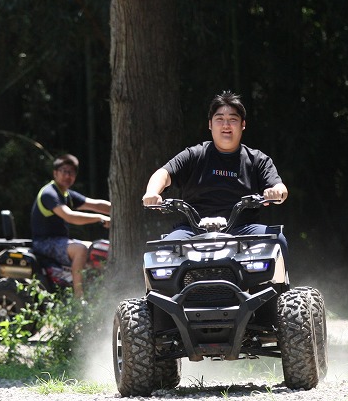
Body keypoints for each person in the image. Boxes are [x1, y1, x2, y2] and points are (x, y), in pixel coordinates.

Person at [142, 90, 289, 258]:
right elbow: (163, 173)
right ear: (210, 124)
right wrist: (151, 193)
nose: (226, 125)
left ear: (243, 124)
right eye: (219, 119)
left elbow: (280, 188)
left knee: (277, 240)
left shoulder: (257, 159)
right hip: (192, 230)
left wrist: (276, 192)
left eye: (232, 119)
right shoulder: (194, 154)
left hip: (244, 229)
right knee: (163, 252)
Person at [30, 154, 111, 298]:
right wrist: (99, 218)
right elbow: (70, 216)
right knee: (81, 249)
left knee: (96, 248)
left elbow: (95, 204)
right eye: (64, 171)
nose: (68, 176)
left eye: (72, 172)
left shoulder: (66, 194)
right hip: (44, 242)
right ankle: (79, 298)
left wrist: (122, 208)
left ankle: (95, 290)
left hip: (60, 240)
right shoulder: (49, 194)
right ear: (55, 173)